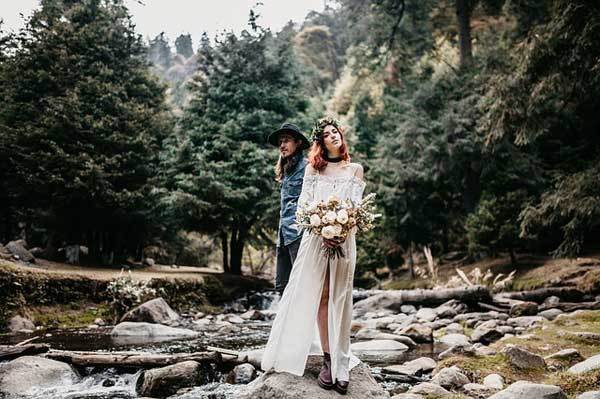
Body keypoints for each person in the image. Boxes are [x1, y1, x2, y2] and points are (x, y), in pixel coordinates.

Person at [261, 116, 365, 395]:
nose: (333, 135)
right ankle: (329, 361)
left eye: (336, 131)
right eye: (328, 133)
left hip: (344, 242)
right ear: (320, 142)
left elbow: (355, 209)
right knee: (320, 295)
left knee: (340, 299)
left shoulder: (355, 169)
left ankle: (342, 361)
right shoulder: (313, 170)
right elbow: (303, 208)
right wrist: (322, 229)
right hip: (315, 241)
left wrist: (341, 230)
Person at [267, 122, 310, 295]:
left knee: (302, 285)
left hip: (299, 234)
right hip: (284, 235)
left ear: (298, 143)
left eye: (286, 140)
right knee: (284, 286)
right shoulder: (285, 170)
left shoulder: (308, 167)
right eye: (280, 142)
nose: (282, 145)